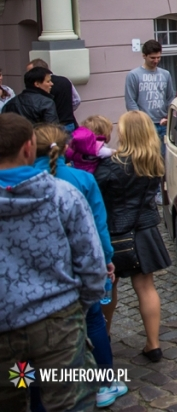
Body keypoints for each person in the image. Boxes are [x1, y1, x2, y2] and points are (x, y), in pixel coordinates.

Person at [0, 114, 106, 412]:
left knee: (13, 397)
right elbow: (92, 263)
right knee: (68, 403)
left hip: (5, 332)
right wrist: (78, 308)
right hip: (58, 324)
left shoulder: (63, 194)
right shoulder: (63, 195)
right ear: (28, 148)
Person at [32, 124, 127, 408]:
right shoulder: (80, 180)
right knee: (93, 320)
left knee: (33, 339)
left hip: (32, 275)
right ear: (66, 148)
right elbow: (98, 227)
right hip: (76, 268)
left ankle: (33, 393)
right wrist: (107, 259)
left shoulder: (19, 181)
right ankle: (106, 382)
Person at [95, 111, 172, 361]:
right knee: (146, 287)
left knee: (110, 286)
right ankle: (153, 343)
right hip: (145, 229)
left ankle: (103, 337)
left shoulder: (110, 166)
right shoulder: (155, 161)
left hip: (115, 231)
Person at [124, 39, 175, 141]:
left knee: (164, 155)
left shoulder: (165, 74)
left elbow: (170, 97)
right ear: (144, 56)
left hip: (164, 122)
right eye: (152, 58)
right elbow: (130, 101)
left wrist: (169, 117)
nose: (156, 61)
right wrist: (141, 122)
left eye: (158, 57)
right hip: (145, 124)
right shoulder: (134, 75)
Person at [27, 59, 79, 131]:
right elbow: (77, 100)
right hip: (69, 123)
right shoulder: (65, 80)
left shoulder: (40, 85)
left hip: (51, 127)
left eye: (30, 72)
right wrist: (66, 111)